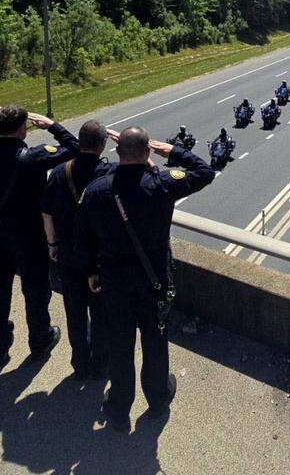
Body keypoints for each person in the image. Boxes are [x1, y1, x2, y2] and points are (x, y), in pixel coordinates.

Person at [76, 127, 214, 432]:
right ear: (148, 151)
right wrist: (172, 152)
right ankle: (157, 400)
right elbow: (205, 171)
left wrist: (91, 271)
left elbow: (84, 237)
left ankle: (119, 409)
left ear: (117, 153)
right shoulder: (162, 183)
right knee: (155, 342)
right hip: (154, 282)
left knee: (120, 345)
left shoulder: (97, 190)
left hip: (114, 283)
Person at [0, 106, 78, 365]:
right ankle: (39, 340)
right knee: (36, 289)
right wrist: (51, 125)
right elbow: (75, 148)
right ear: (22, 129)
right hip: (29, 235)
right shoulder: (32, 157)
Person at [42, 120, 113, 380]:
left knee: (75, 313)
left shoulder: (61, 171)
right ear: (103, 144)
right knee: (101, 314)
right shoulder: (108, 173)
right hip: (99, 259)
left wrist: (52, 244)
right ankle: (101, 363)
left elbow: (47, 213)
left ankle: (80, 364)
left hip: (69, 256)